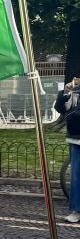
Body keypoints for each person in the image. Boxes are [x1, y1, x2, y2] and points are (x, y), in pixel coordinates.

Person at [55, 77, 80, 223]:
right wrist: (65, 93)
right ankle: (76, 210)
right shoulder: (74, 90)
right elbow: (60, 108)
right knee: (76, 177)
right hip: (76, 137)